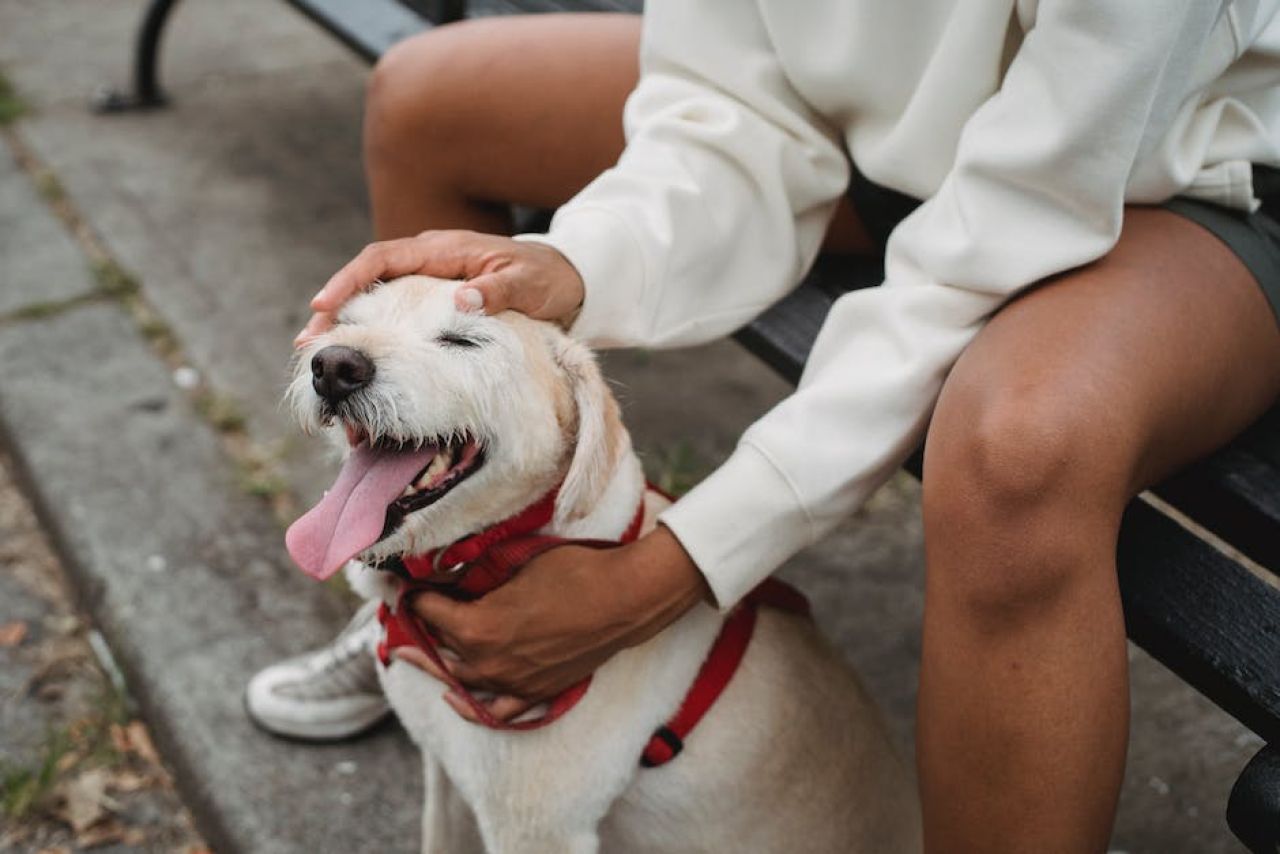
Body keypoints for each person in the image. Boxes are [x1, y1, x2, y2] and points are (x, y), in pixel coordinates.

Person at [246, 3, 1280, 850]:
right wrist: (577, 265)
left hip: (1173, 170)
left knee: (1018, 442)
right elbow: (722, 108)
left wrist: (676, 564)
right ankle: (427, 591)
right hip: (886, 149)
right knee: (425, 99)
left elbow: (1016, 217)